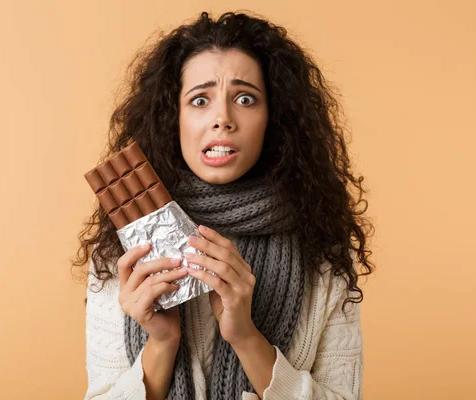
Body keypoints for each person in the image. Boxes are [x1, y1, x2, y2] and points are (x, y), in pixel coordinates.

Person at [73, 11, 375, 400]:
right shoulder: (121, 253)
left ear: (274, 118)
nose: (222, 118)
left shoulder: (324, 250)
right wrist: (162, 343)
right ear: (173, 119)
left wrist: (246, 337)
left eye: (245, 98)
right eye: (200, 100)